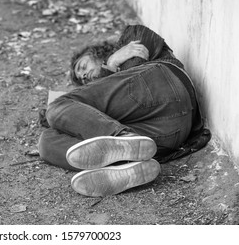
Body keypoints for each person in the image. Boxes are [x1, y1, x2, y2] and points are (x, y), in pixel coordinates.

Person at [38, 25, 211, 197]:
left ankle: (121, 142)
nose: (83, 76)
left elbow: (138, 58)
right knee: (46, 142)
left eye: (82, 66)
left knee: (57, 107)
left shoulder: (131, 34)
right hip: (168, 134)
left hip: (165, 84)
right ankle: (125, 167)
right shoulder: (104, 100)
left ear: (94, 52)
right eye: (81, 80)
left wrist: (112, 62)